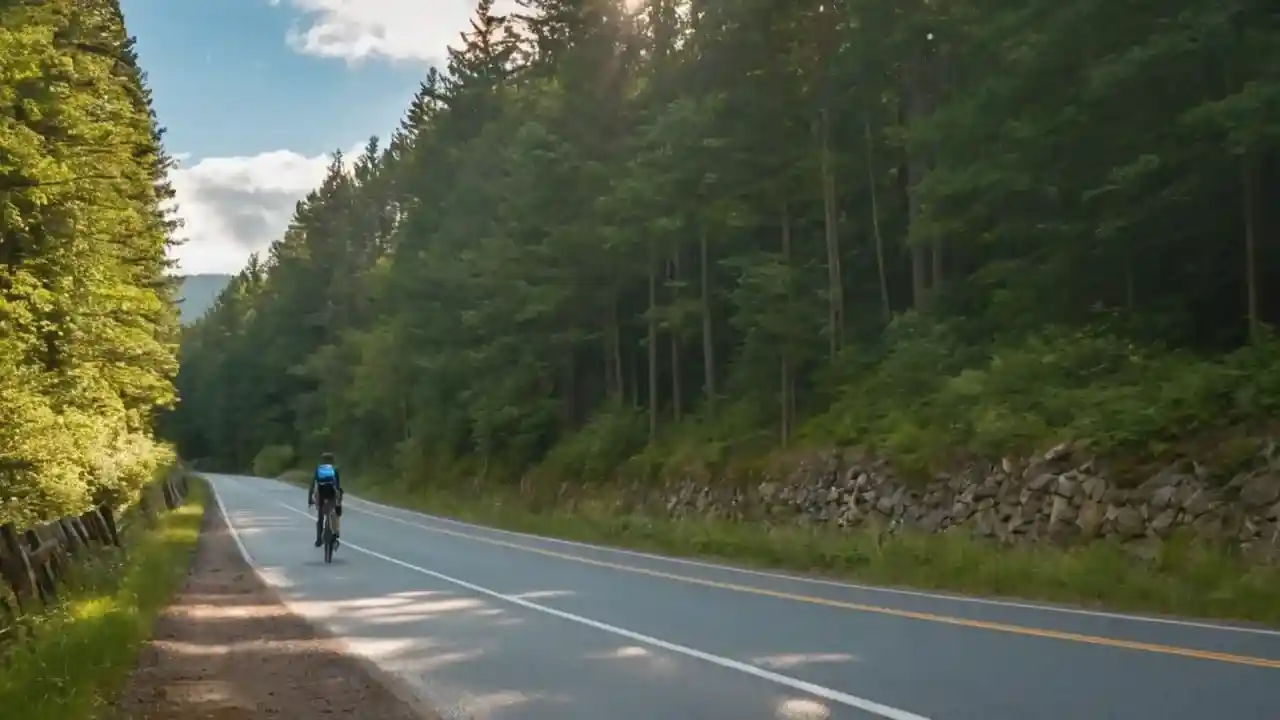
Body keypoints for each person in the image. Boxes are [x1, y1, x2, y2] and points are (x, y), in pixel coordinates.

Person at [307, 451, 343, 547]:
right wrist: (339, 501)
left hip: (321, 495)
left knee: (320, 518)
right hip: (332, 495)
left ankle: (319, 539)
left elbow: (312, 485)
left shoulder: (318, 469)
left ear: (322, 460)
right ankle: (335, 534)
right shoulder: (335, 469)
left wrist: (310, 499)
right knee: (334, 514)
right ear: (332, 460)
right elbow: (338, 486)